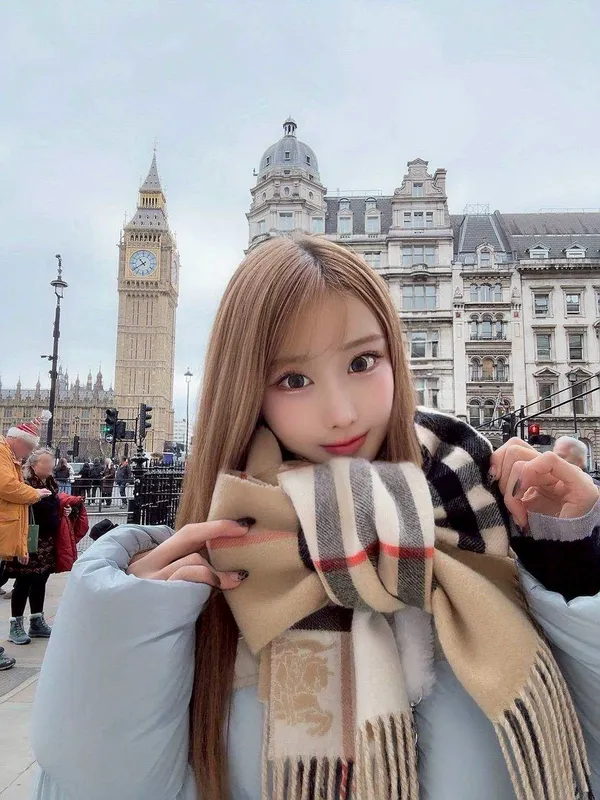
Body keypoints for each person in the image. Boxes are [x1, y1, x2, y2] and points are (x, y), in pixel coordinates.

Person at [31, 237, 599, 799]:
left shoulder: (479, 517)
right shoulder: (205, 571)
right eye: (294, 380)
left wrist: (574, 559)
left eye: (362, 362)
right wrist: (125, 634)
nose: (342, 412)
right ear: (245, 390)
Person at [0, 412, 52, 670]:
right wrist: (33, 493)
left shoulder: (10, 457)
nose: (27, 454)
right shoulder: (2, 454)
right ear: (18, 441)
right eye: (28, 448)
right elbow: (7, 487)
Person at [5, 448, 63, 644]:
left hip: (46, 540)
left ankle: (36, 621)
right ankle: (15, 625)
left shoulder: (50, 483)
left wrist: (64, 510)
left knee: (40, 580)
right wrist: (20, 546)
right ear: (34, 465)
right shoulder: (24, 484)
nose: (50, 466)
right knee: (23, 582)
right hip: (28, 539)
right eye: (45, 463)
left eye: (51, 462)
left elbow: (53, 506)